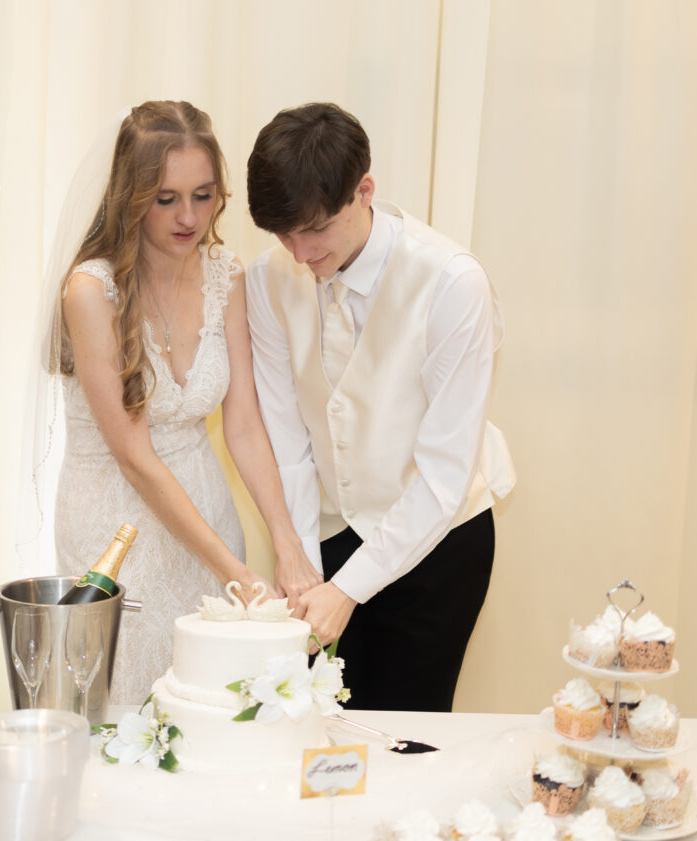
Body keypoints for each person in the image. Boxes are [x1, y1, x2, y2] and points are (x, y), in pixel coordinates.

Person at [245, 103, 516, 712]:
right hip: (329, 530)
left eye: (313, 229)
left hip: (439, 542)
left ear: (364, 191)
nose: (299, 252)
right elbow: (287, 436)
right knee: (314, 729)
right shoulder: (268, 280)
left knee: (406, 737)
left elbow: (445, 473)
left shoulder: (452, 283)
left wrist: (349, 589)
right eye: (282, 235)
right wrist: (305, 569)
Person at [48, 101, 318, 704]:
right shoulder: (91, 291)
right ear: (130, 195)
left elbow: (243, 425)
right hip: (113, 520)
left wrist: (287, 542)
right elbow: (134, 455)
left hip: (204, 503)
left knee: (213, 700)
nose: (189, 217)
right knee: (124, 701)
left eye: (204, 194)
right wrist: (238, 573)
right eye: (166, 198)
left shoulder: (227, 275)